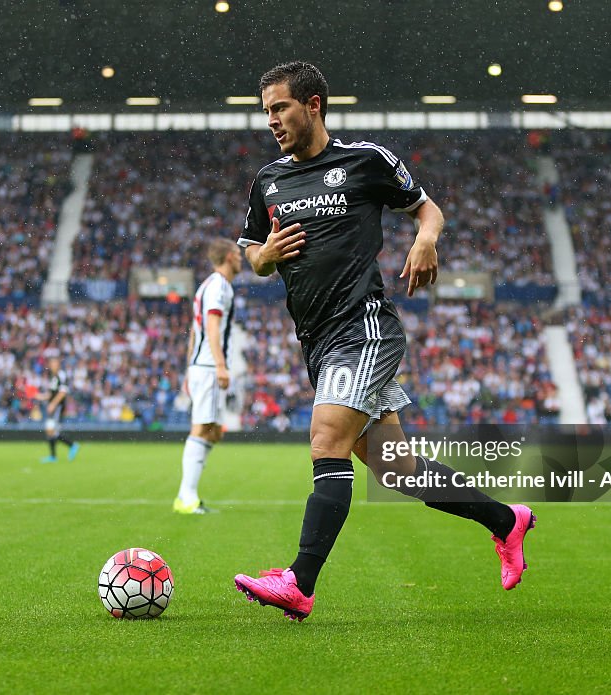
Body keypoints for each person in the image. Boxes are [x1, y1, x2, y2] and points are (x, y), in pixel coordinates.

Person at [233, 62, 535, 621]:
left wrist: (426, 240)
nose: (271, 120)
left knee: (326, 439)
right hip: (318, 341)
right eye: (267, 110)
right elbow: (250, 252)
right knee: (397, 471)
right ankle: (506, 521)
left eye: (281, 108)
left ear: (314, 105)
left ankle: (300, 581)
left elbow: (427, 208)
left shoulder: (365, 162)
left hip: (364, 325)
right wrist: (263, 257)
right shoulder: (268, 182)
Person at [174, 238, 243, 514]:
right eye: (238, 254)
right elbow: (211, 328)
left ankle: (186, 496)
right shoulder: (218, 287)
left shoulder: (210, 286)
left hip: (201, 366)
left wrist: (189, 368)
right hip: (208, 367)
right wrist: (221, 365)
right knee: (203, 428)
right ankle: (186, 497)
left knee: (213, 432)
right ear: (228, 256)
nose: (241, 258)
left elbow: (195, 331)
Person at [39, 356, 79, 463]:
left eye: (54, 363)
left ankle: (71, 445)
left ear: (58, 364)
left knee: (53, 431)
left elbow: (63, 392)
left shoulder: (61, 375)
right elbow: (51, 394)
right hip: (54, 407)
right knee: (50, 430)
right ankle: (53, 456)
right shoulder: (53, 377)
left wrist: (52, 404)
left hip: (58, 407)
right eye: (51, 364)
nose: (52, 366)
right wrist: (40, 396)